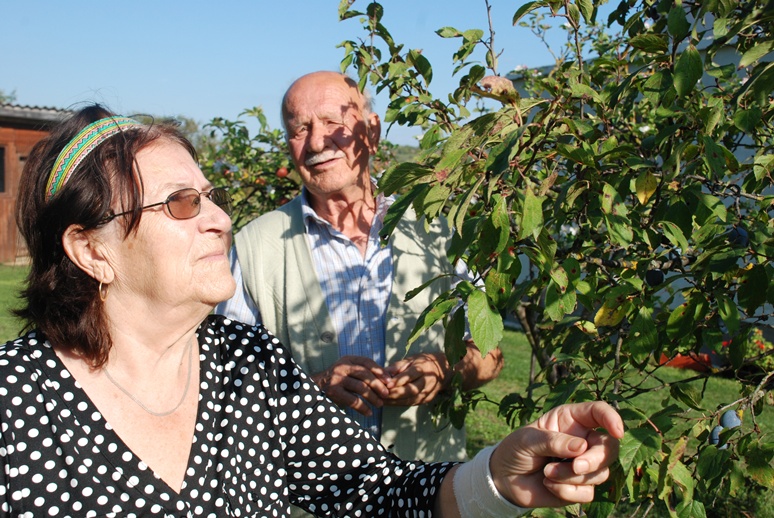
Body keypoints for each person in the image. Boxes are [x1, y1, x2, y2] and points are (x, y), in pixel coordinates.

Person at [1, 104, 624, 516]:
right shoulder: (14, 407)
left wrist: (498, 476)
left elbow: (379, 492)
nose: (221, 219)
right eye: (183, 204)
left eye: (212, 197)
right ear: (91, 249)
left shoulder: (248, 368)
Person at [218, 71, 503, 466]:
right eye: (300, 129)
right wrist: (315, 385)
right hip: (311, 499)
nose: (317, 141)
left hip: (430, 488)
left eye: (334, 122)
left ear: (372, 131)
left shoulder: (437, 228)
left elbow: (489, 353)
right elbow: (226, 383)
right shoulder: (253, 246)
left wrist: (445, 369)